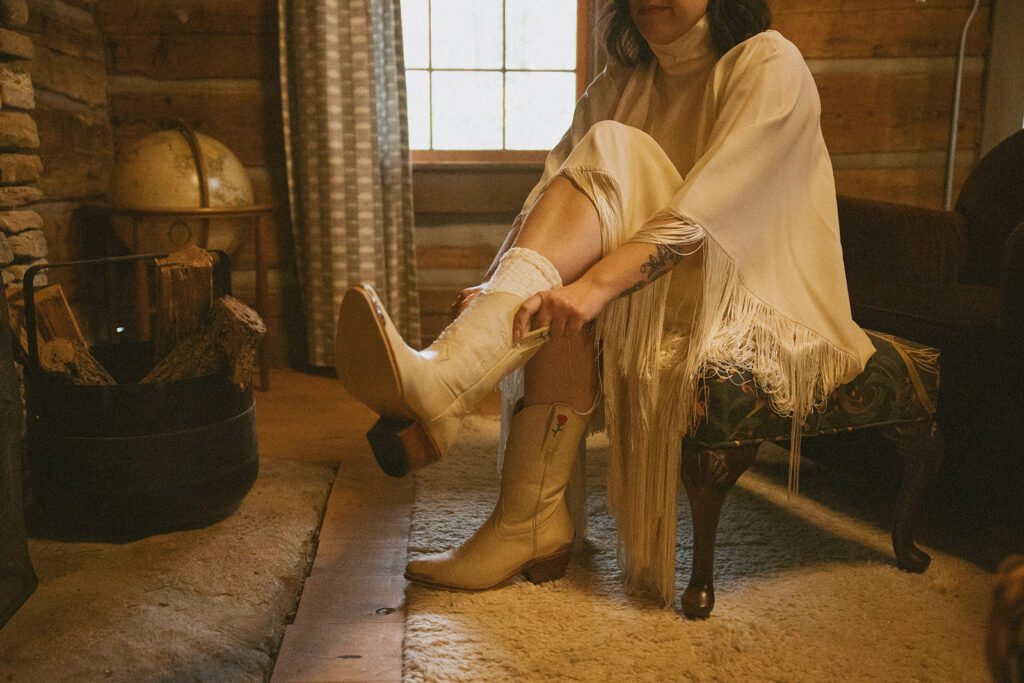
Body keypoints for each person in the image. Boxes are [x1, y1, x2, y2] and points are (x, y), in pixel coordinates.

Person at [334, 0, 876, 606]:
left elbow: (713, 212)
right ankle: (527, 522)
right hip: (649, 283)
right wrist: (499, 289)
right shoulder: (624, 77)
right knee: (554, 276)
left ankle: (447, 384)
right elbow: (554, 194)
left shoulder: (769, 61)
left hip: (750, 292)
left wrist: (593, 286)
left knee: (612, 157)